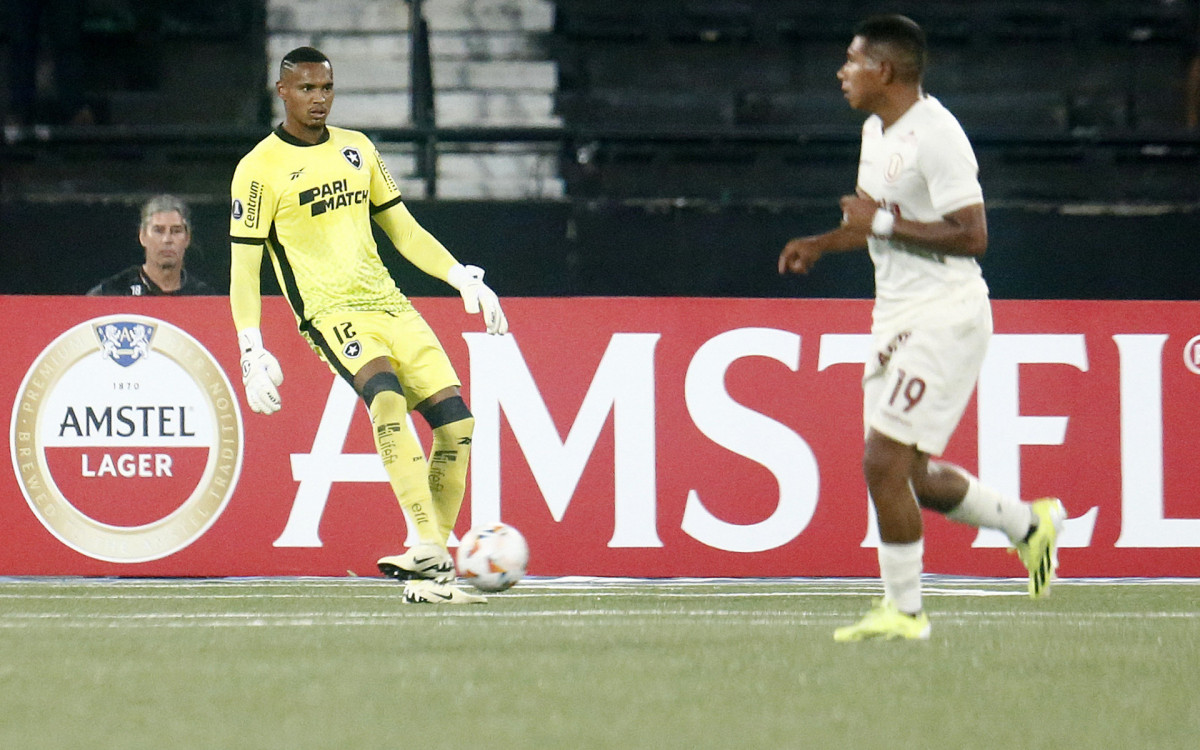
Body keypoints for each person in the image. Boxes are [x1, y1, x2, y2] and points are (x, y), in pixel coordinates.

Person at [778, 15, 1066, 642]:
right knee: (911, 477)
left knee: (880, 461)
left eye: (852, 60)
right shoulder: (875, 132)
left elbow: (974, 235)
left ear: (884, 70)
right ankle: (1028, 524)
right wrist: (823, 244)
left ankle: (905, 612)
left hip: (946, 315)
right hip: (893, 317)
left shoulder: (938, 137)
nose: (842, 72)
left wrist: (879, 225)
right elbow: (867, 218)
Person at [229, 46, 509, 604]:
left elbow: (402, 230)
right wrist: (250, 349)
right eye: (306, 89)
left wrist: (462, 278)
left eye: (326, 88)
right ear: (282, 92)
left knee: (457, 424)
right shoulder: (257, 169)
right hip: (330, 311)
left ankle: (429, 559)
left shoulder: (358, 149)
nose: (318, 99)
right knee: (385, 397)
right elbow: (245, 264)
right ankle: (427, 549)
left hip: (392, 304)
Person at [88, 194, 217, 296]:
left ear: (187, 238)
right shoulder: (112, 293)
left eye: (176, 231)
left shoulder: (203, 297)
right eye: (158, 231)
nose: (167, 239)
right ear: (142, 236)